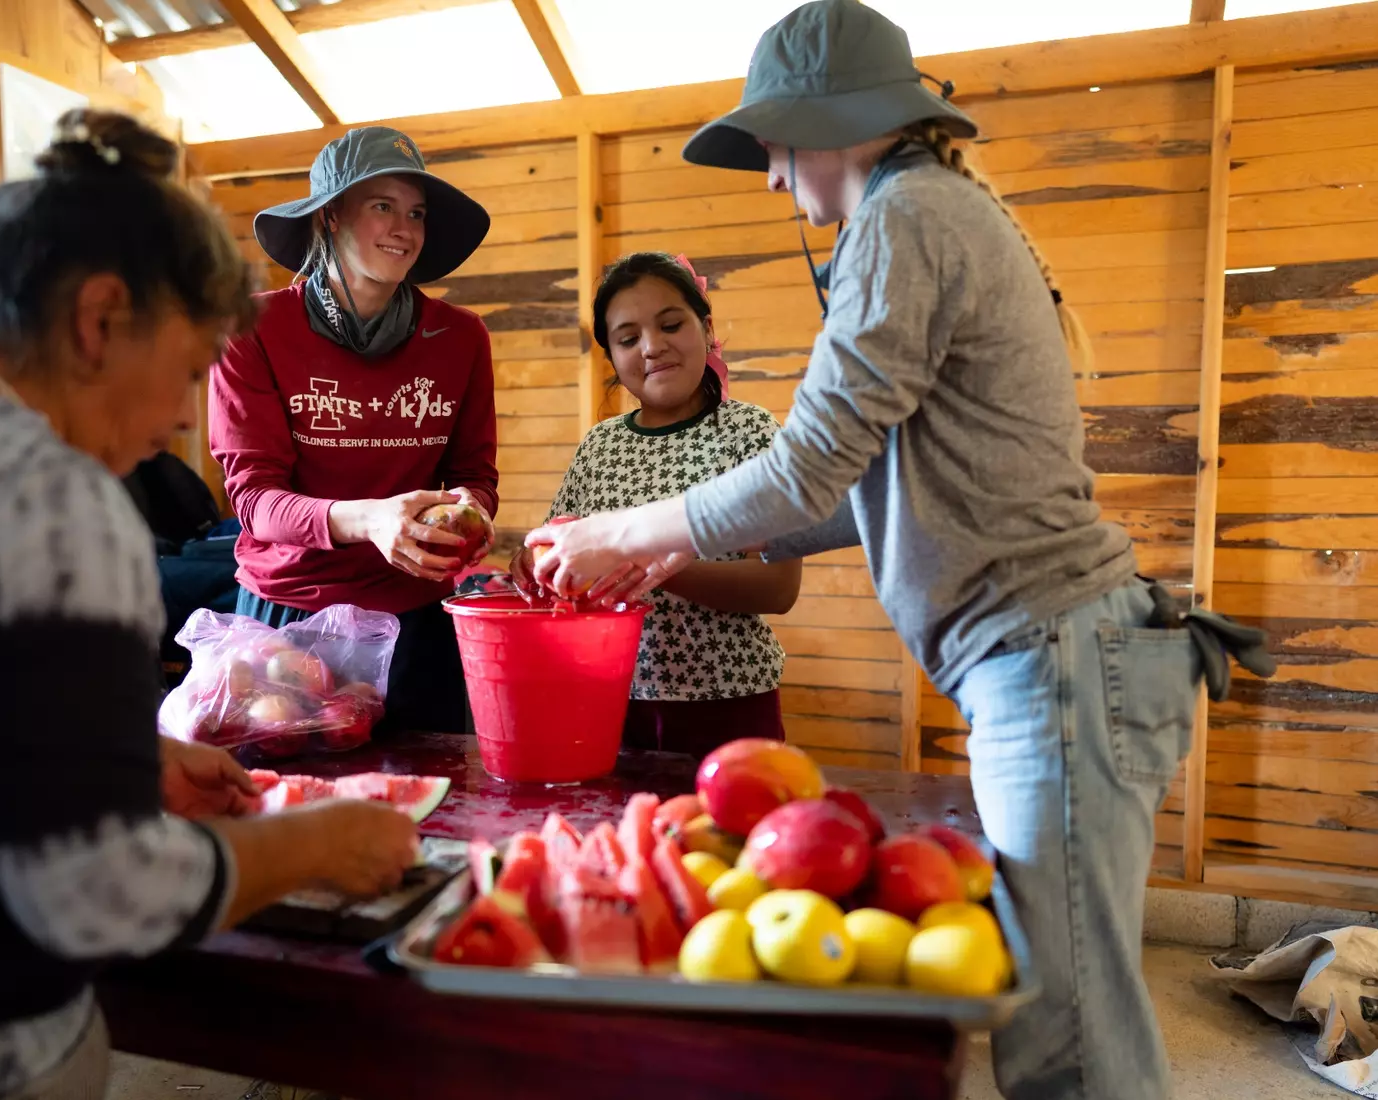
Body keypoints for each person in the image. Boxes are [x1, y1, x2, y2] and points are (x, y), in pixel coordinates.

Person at [527, 5, 1209, 1098]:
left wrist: (617, 530)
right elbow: (863, 489)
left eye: (772, 148)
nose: (769, 178)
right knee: (1056, 1012)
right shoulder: (928, 209)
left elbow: (807, 465)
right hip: (1057, 660)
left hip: (1055, 661)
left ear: (829, 123)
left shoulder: (905, 217)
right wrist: (667, 551)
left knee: (1068, 1042)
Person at [0, 110, 416, 1100]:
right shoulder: (48, 492)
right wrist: (313, 842)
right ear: (99, 319)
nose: (179, 418)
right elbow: (98, 899)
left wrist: (113, 758)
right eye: (186, 369)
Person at [211, 125, 498, 736]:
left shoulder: (461, 337)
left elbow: (475, 475)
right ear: (330, 217)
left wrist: (470, 508)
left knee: (429, 790)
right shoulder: (252, 328)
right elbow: (255, 500)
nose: (405, 229)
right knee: (290, 794)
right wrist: (372, 520)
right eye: (382, 206)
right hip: (290, 616)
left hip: (416, 618)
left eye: (416, 213)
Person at [546, 252, 800, 756]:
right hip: (610, 700)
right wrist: (535, 563)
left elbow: (778, 588)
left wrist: (648, 567)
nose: (651, 346)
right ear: (612, 358)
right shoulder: (599, 447)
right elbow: (557, 552)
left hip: (729, 701)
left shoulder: (750, 433)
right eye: (627, 339)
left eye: (670, 325)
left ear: (706, 329)